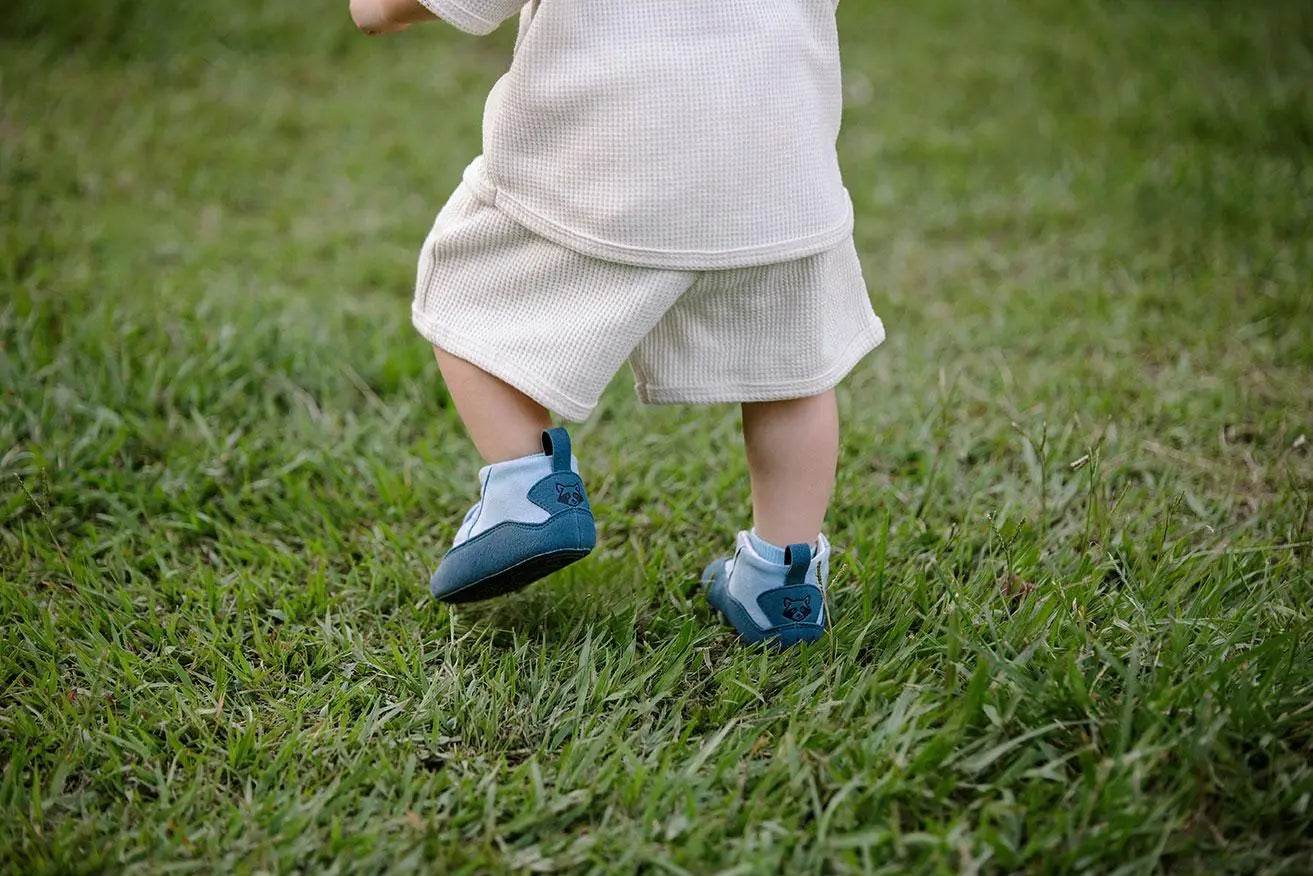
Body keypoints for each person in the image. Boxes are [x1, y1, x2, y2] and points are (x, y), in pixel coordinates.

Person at [348, 0, 885, 646]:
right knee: (793, 372)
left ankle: (528, 486)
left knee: (465, 290)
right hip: (780, 181)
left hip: (610, 164)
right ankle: (783, 580)